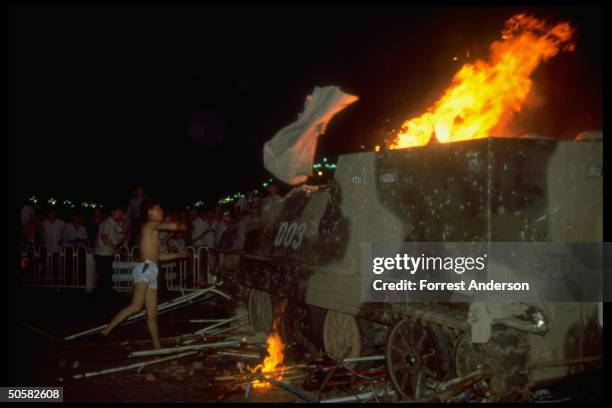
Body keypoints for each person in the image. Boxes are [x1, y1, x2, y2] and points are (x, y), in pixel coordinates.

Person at [100, 199, 187, 349]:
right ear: (150, 212)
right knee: (136, 306)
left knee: (152, 313)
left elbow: (157, 256)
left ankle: (157, 346)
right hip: (145, 268)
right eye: (159, 209)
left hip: (151, 268)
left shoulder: (153, 230)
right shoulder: (149, 225)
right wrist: (178, 226)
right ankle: (105, 331)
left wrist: (178, 255)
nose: (162, 212)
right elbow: (169, 226)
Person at [94, 206, 125, 296]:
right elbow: (104, 238)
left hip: (107, 253)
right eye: (119, 212)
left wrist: (126, 221)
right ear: (113, 212)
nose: (120, 215)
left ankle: (106, 293)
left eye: (121, 213)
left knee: (107, 274)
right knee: (104, 275)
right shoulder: (107, 222)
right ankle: (105, 294)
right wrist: (115, 248)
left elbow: (124, 232)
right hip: (102, 253)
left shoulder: (115, 223)